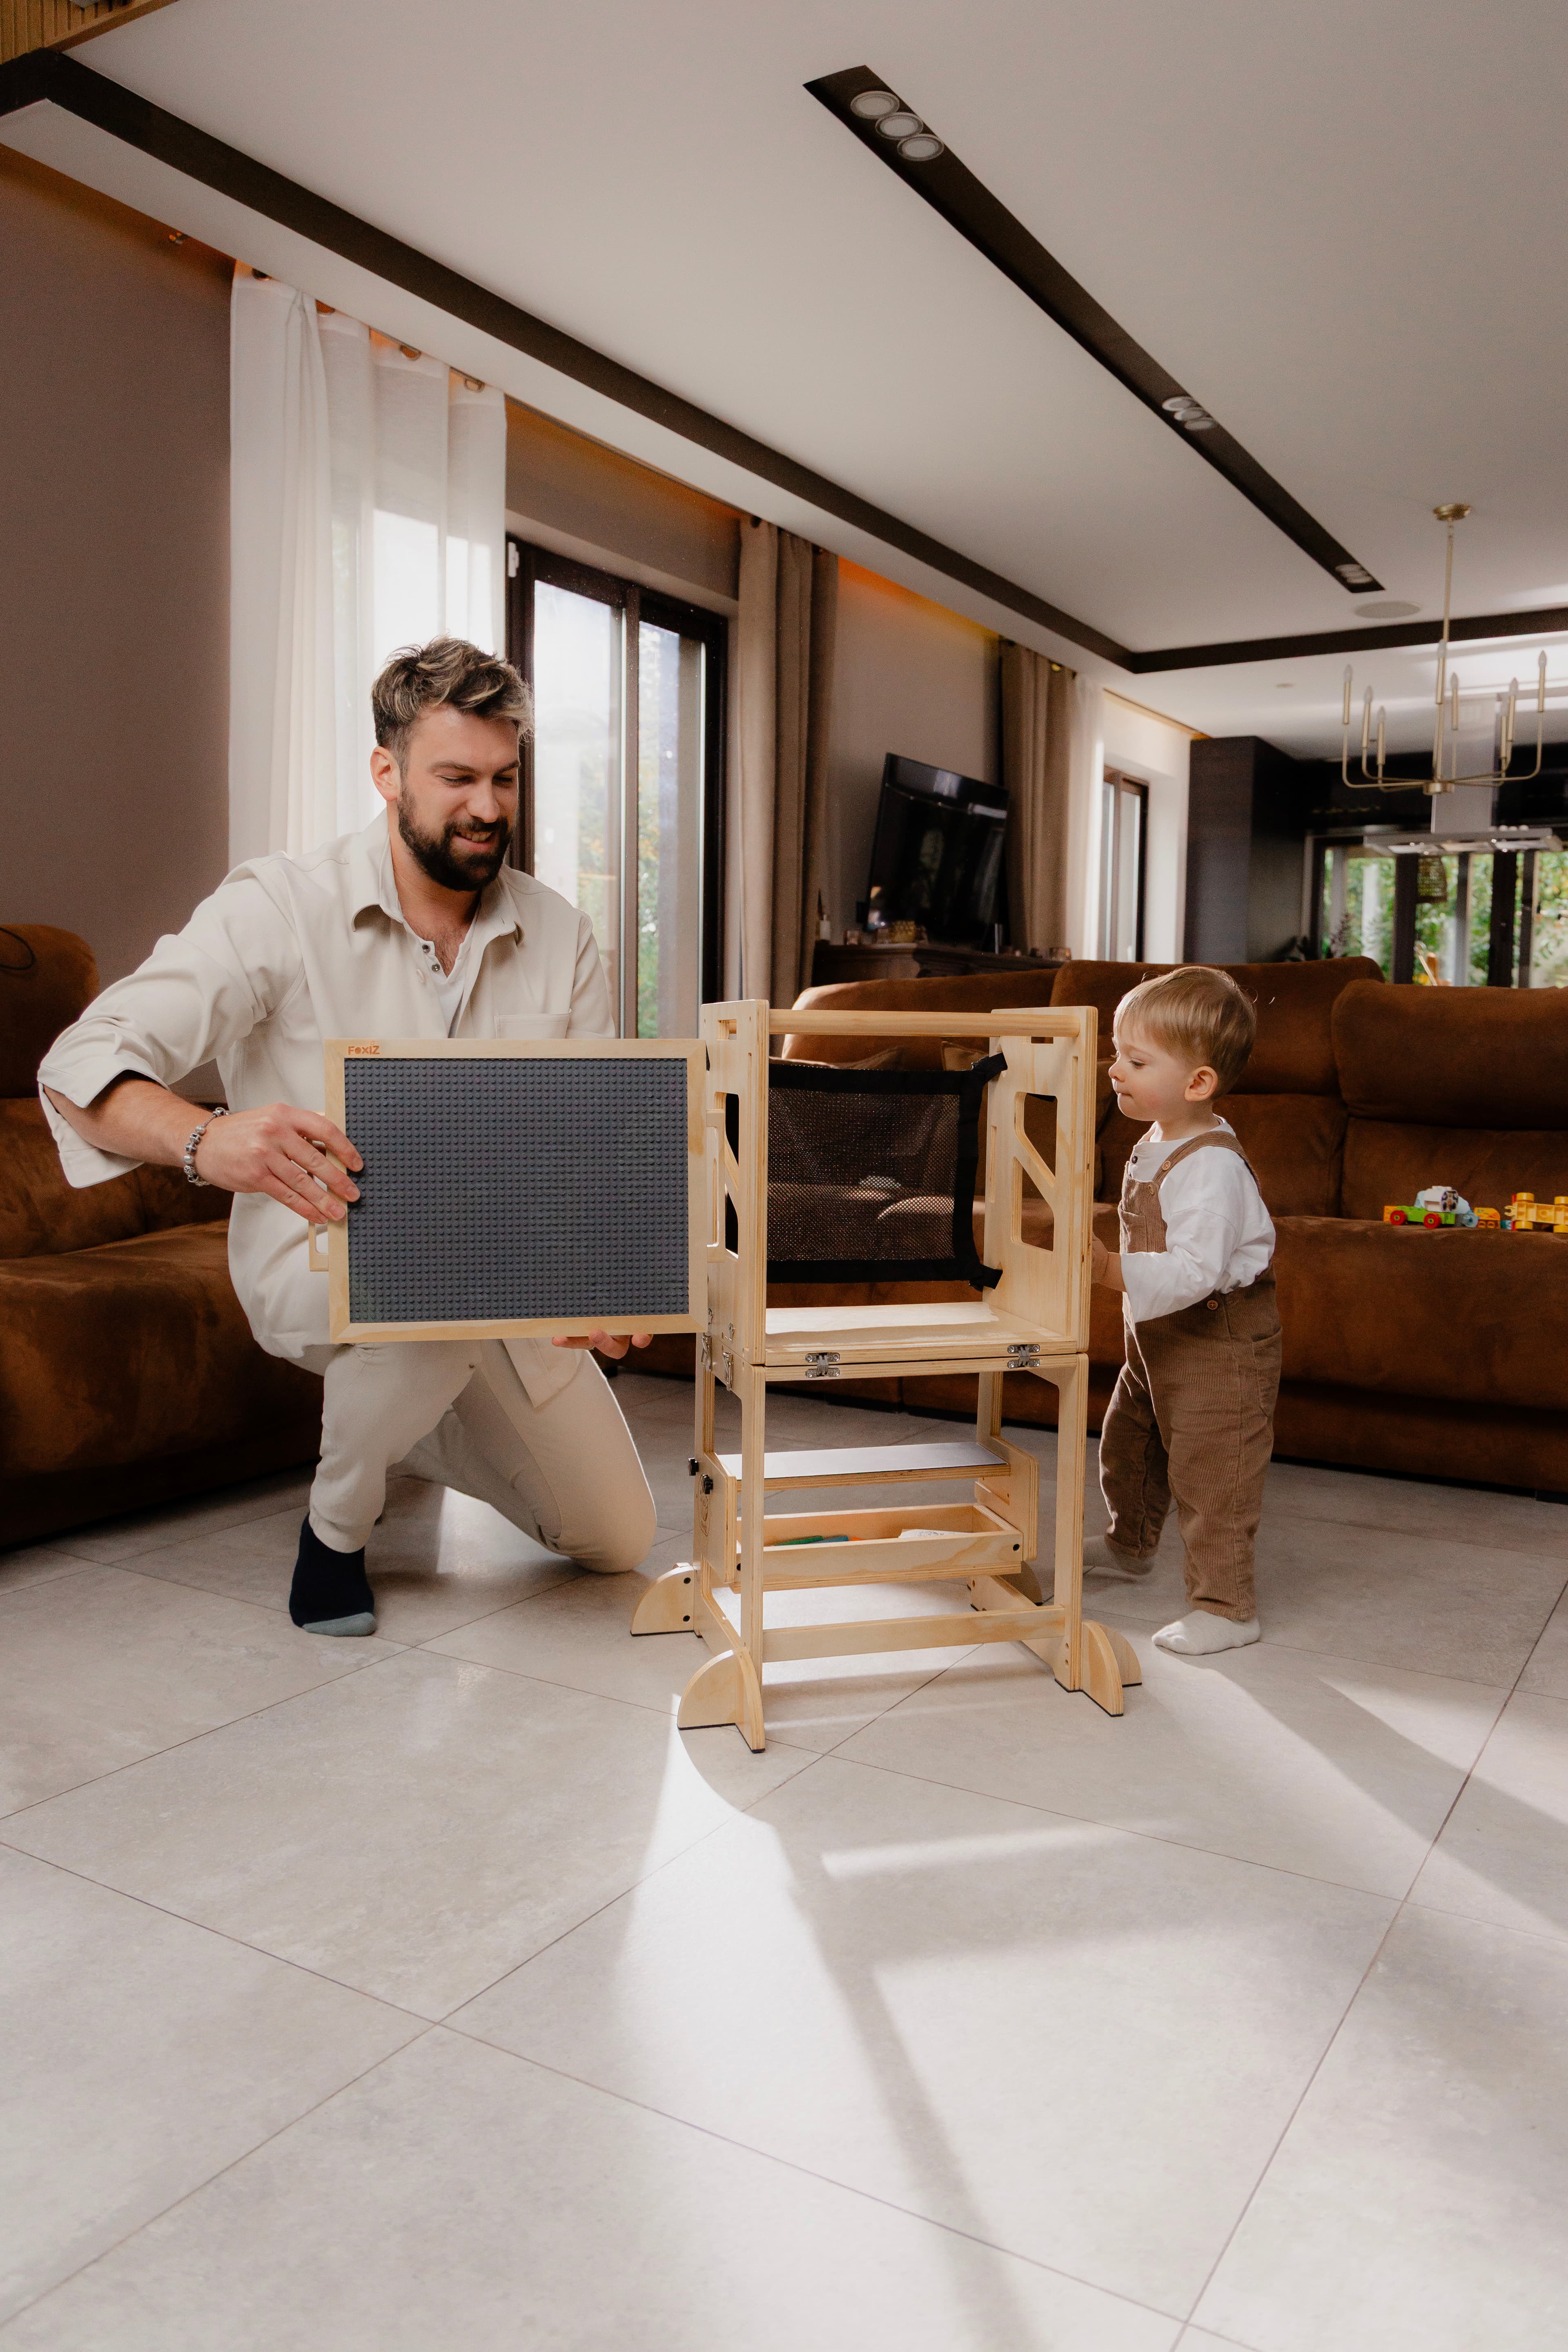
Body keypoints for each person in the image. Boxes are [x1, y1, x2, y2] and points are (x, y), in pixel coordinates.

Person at [40, 637, 657, 1637]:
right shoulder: (280, 906)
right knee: (435, 1288)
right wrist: (207, 1140)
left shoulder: (561, 934)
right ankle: (335, 1531)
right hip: (322, 1254)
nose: (488, 807)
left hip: (499, 1285)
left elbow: (587, 1147)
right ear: (387, 773)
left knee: (616, 1537)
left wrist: (605, 1275)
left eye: (504, 778)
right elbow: (81, 1061)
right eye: (456, 778)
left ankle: (405, 1419)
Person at [1085, 965, 1280, 1657]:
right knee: (1130, 1443)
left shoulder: (1212, 1167)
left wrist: (1107, 1270)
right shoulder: (1156, 1138)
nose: (1116, 1070)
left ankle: (1227, 1608)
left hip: (1216, 1341)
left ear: (1197, 1082)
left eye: (1136, 1061)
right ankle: (1130, 1545)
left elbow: (1197, 1271)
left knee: (1212, 1472)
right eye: (1117, 1053)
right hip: (1155, 1337)